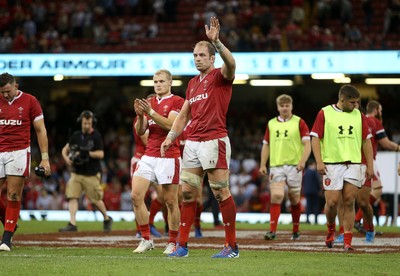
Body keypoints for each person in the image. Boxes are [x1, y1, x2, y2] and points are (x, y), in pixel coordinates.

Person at [161, 16, 239, 258]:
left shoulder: (220, 76)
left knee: (219, 192)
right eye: (194, 56)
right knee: (187, 193)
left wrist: (217, 42)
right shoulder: (193, 83)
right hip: (193, 142)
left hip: (214, 140)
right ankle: (182, 246)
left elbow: (232, 63)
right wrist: (171, 136)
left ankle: (232, 246)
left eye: (202, 55)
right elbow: (184, 115)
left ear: (212, 58)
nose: (197, 59)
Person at [310, 84, 374, 251]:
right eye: (352, 102)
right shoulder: (325, 113)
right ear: (342, 99)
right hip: (332, 164)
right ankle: (331, 229)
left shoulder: (359, 116)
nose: (355, 105)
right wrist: (319, 161)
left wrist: (370, 165)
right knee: (332, 203)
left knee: (349, 200)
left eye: (357, 102)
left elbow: (367, 140)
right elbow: (315, 138)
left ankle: (347, 241)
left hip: (353, 164)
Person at [131, 69, 184, 254]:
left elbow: (171, 125)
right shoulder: (150, 102)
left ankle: (172, 241)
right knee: (136, 196)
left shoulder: (178, 102)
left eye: (161, 81)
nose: (158, 84)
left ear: (170, 83)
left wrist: (150, 112)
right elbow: (140, 131)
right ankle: (146, 239)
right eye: (155, 82)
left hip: (169, 155)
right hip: (149, 154)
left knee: (170, 201)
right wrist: (139, 116)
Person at [0, 72, 51, 252]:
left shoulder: (30, 101)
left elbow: (40, 130)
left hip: (19, 151)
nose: (5, 95)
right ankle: (10, 222)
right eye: (2, 92)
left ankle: (6, 238)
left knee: (13, 195)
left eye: (7, 91)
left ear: (16, 86)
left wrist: (45, 159)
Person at [259, 94, 311, 240]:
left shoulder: (299, 122)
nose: (284, 108)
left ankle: (295, 230)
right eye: (282, 106)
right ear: (278, 107)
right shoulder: (271, 124)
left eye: (287, 105)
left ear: (291, 106)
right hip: (276, 165)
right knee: (276, 195)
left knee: (294, 198)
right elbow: (266, 145)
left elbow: (307, 143)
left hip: (295, 166)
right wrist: (263, 164)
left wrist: (303, 161)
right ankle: (272, 231)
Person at [59, 110, 113, 233]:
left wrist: (86, 152)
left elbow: (101, 154)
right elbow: (65, 149)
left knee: (95, 200)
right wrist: (67, 159)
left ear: (92, 123)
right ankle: (72, 224)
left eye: (89, 123)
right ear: (81, 122)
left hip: (91, 174)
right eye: (85, 123)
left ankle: (106, 218)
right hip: (76, 173)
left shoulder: (96, 136)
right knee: (72, 196)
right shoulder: (76, 136)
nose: (87, 125)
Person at [302, 159, 322, 224]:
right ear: (313, 164)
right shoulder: (314, 172)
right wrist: (319, 189)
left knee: (308, 205)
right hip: (314, 191)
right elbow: (317, 181)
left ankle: (307, 219)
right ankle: (315, 220)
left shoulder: (305, 172)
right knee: (315, 205)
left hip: (307, 191)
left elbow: (303, 182)